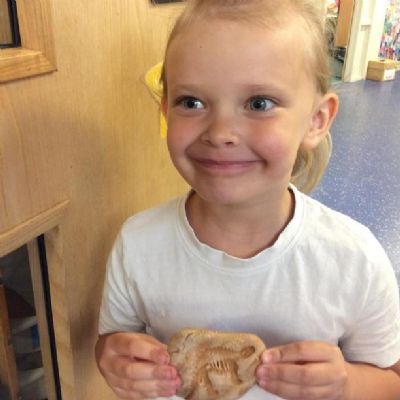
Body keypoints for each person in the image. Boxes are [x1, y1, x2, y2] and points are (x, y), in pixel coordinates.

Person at [95, 0, 400, 399]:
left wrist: (346, 383)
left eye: (259, 104)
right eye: (192, 102)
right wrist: (114, 359)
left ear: (316, 120)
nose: (220, 132)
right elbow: (112, 342)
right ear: (166, 111)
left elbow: (391, 381)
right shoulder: (138, 243)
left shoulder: (354, 260)